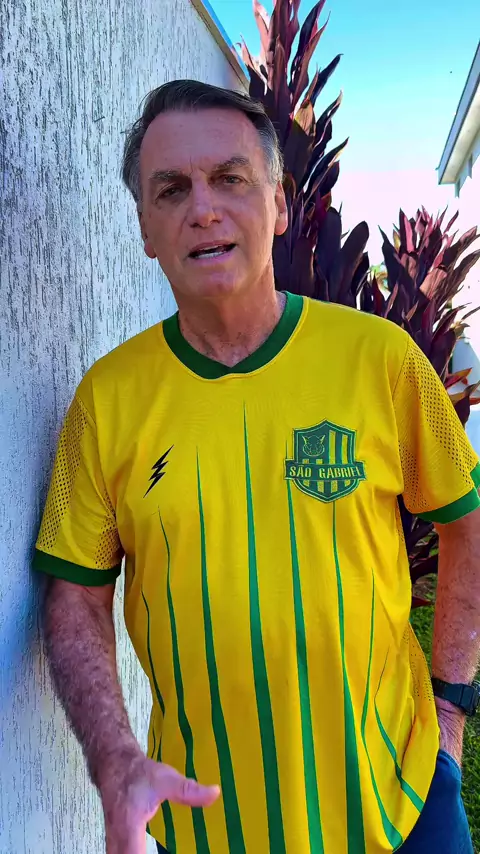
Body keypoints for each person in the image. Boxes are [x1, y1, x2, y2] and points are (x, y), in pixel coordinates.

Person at [33, 80, 480, 854]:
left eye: (230, 178)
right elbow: (75, 595)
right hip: (206, 824)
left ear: (277, 205)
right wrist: (115, 763)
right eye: (171, 189)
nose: (203, 208)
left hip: (400, 803)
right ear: (145, 227)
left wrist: (449, 708)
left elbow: (465, 524)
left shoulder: (380, 361)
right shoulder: (106, 402)